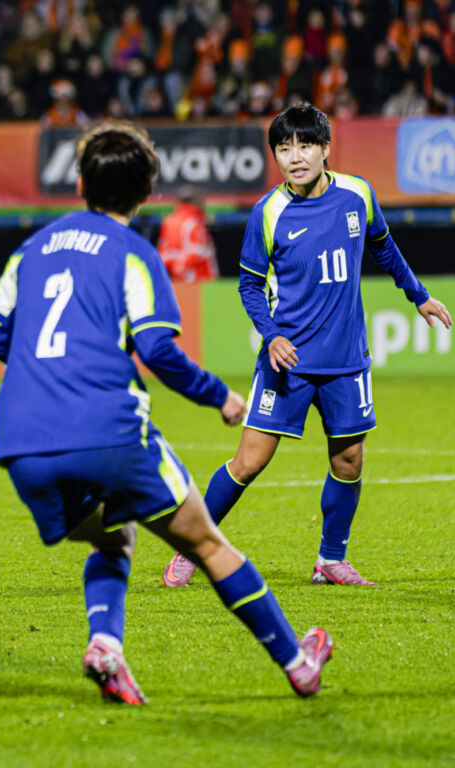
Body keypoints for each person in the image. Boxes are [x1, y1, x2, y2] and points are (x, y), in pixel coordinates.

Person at [0, 123, 332, 705]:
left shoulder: (32, 248)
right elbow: (158, 348)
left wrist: (46, 368)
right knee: (208, 545)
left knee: (113, 539)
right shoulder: (134, 254)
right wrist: (220, 396)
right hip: (108, 431)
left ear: (83, 182)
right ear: (146, 191)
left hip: (21, 444)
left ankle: (105, 647)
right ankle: (298, 661)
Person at [162, 103, 452, 588]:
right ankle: (190, 548)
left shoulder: (358, 194)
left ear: (325, 148)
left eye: (304, 145)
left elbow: (383, 245)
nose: (294, 156)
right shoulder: (268, 213)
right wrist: (272, 334)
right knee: (249, 461)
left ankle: (330, 560)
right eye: (283, 148)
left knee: (349, 459)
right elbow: (250, 286)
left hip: (346, 360)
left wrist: (417, 295)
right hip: (288, 360)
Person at [156, 187, 218, 283]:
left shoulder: (169, 222)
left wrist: (176, 268)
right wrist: (181, 267)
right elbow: (198, 251)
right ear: (195, 202)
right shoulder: (194, 221)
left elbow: (163, 255)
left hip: (177, 282)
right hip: (201, 281)